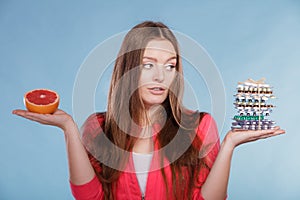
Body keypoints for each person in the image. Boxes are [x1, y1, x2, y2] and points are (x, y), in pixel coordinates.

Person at [12, 21, 285, 200]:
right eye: (148, 64)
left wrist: (229, 146)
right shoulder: (97, 127)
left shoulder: (200, 126)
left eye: (170, 66)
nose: (161, 76)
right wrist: (69, 128)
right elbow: (90, 198)